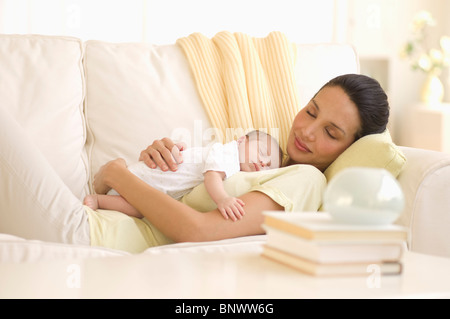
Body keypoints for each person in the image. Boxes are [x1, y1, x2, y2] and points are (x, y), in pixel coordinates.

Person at [92, 74, 390, 244]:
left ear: (351, 148)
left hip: (108, 239)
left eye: (331, 132)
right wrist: (158, 164)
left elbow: (197, 230)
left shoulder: (305, 180)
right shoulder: (262, 154)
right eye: (311, 111)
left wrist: (119, 175)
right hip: (104, 218)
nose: (308, 131)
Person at [83, 130, 282, 221]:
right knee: (138, 204)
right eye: (263, 152)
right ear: (241, 141)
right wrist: (223, 199)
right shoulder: (228, 153)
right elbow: (212, 176)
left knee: (140, 209)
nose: (263, 162)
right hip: (150, 177)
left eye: (269, 166)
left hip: (154, 183)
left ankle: (102, 200)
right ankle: (98, 199)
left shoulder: (236, 168)